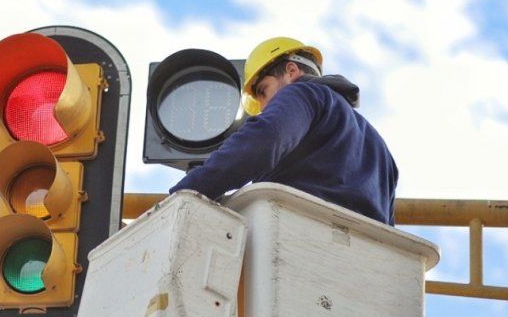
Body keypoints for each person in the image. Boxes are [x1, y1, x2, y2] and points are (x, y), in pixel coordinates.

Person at [169, 37, 398, 226]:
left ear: (290, 71)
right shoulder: (382, 151)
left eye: (263, 91)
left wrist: (186, 192)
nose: (265, 108)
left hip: (300, 243)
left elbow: (263, 141)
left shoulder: (303, 93)